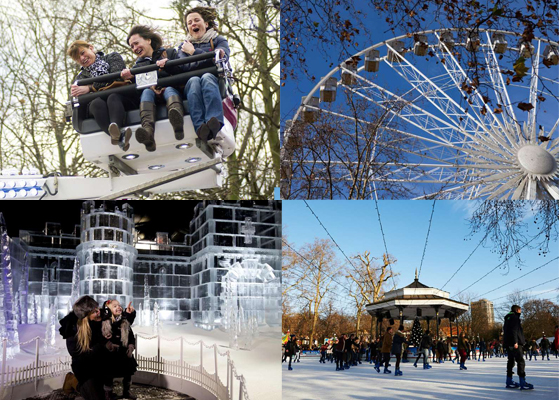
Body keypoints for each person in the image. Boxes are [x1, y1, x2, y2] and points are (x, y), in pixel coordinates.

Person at [121, 26, 186, 152]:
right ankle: (148, 133)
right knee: (146, 92)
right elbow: (138, 89)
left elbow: (181, 72)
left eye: (136, 43)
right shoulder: (137, 67)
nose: (135, 48)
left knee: (169, 90)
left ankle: (177, 121)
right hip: (150, 96)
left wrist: (167, 66)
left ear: (148, 40)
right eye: (132, 46)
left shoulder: (170, 53)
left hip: (171, 89)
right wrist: (130, 78)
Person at [67, 41, 137, 151]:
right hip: (99, 105)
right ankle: (117, 135)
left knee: (112, 97)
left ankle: (115, 127)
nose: (82, 58)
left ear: (91, 48)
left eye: (82, 53)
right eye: (77, 58)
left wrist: (90, 88)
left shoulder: (112, 57)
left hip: (121, 97)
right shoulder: (81, 78)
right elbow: (78, 95)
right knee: (96, 103)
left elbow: (116, 75)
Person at [177, 7, 230, 142]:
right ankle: (200, 127)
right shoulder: (183, 47)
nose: (193, 24)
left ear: (205, 24)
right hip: (192, 82)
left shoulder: (218, 40)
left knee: (206, 78)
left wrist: (194, 53)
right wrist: (207, 59)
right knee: (194, 81)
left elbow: (221, 57)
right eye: (189, 23)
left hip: (213, 80)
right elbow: (184, 66)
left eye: (196, 20)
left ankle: (214, 121)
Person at [59, 296, 119, 400]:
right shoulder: (73, 329)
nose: (98, 312)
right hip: (83, 367)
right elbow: (77, 354)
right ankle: (72, 380)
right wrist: (101, 346)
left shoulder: (96, 322)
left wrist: (108, 343)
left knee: (101, 396)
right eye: (94, 312)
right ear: (86, 315)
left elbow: (102, 339)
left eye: (97, 309)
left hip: (97, 364)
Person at [101, 300, 138, 399]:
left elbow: (131, 337)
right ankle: (108, 394)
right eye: (115, 306)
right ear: (107, 310)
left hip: (124, 353)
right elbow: (100, 339)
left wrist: (130, 346)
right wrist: (108, 345)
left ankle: (126, 391)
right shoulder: (105, 323)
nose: (118, 307)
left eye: (119, 305)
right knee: (108, 375)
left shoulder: (125, 322)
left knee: (128, 373)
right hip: (110, 355)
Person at [503, 305, 533, 390]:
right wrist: (515, 341)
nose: (521, 311)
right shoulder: (515, 317)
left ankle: (509, 381)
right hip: (515, 343)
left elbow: (506, 331)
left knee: (511, 361)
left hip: (508, 344)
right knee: (520, 361)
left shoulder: (507, 318)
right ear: (517, 310)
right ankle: (522, 382)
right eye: (520, 310)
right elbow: (514, 330)